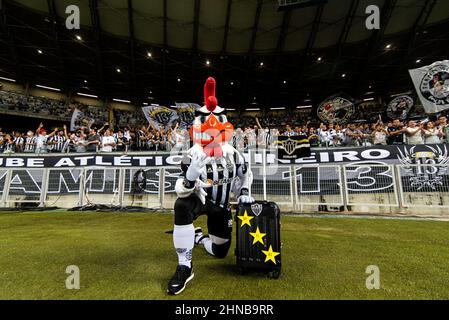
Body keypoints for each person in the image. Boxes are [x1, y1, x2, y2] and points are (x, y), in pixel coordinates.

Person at [167, 77, 254, 295]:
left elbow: (247, 175)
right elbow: (181, 189)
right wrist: (191, 175)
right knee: (182, 206)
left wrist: (244, 192)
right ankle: (185, 266)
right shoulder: (190, 155)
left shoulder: (235, 155)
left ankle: (198, 238)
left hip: (221, 204)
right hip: (200, 200)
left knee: (220, 251)